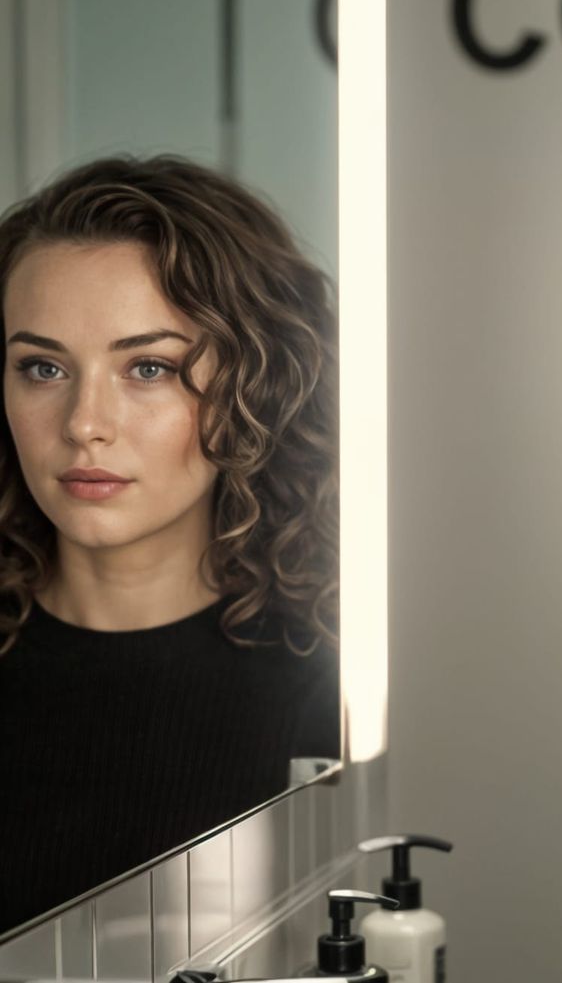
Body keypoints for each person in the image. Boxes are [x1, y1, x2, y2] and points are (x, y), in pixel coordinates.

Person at [0, 155, 340, 934]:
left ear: (255, 384)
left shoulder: (330, 687)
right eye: (42, 367)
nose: (85, 421)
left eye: (148, 367)